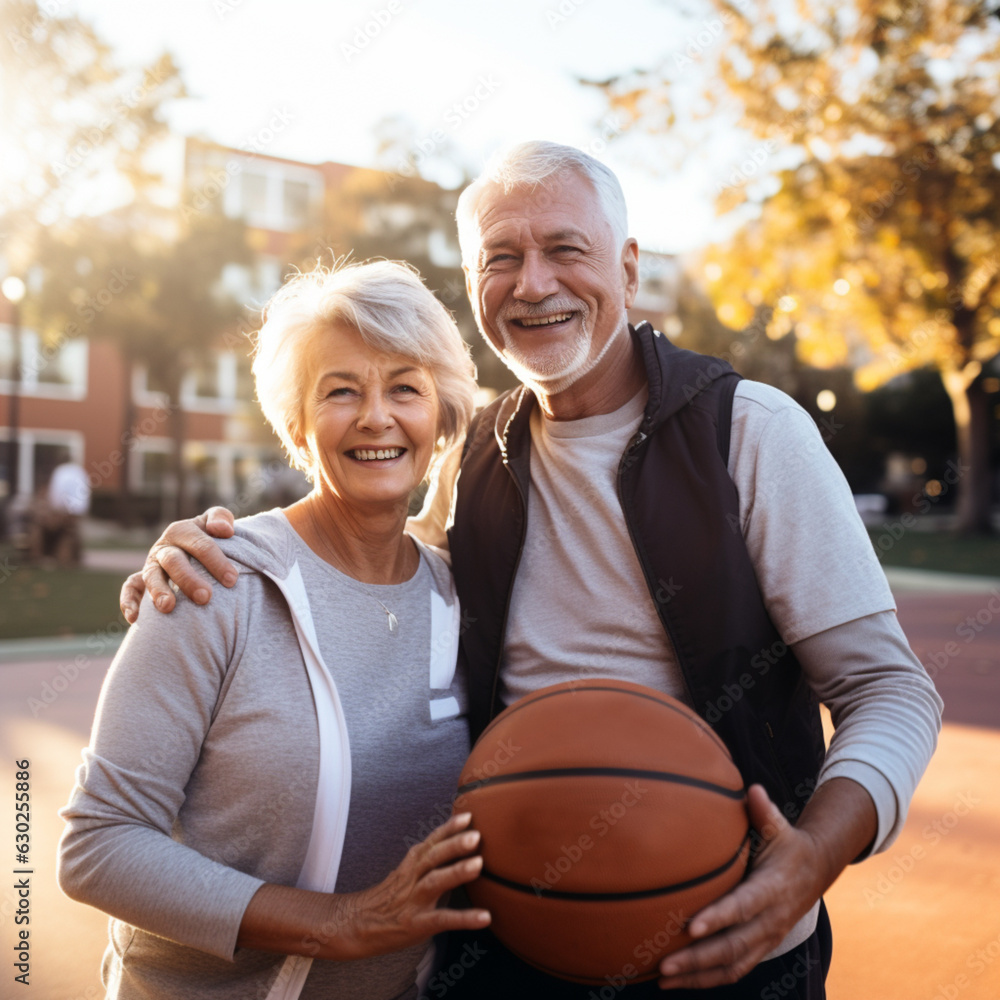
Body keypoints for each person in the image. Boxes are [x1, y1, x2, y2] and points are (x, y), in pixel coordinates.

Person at [120, 142, 943, 998]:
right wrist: (215, 549)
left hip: (721, 938)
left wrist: (810, 858)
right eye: (500, 260)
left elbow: (889, 690)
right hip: (507, 940)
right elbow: (376, 572)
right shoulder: (473, 452)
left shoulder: (751, 432)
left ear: (627, 268)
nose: (533, 283)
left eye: (565, 249)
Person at [58, 259, 491, 1000]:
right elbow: (99, 844)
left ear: (444, 413)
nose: (376, 416)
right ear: (296, 422)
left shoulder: (463, 594)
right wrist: (339, 922)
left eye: (406, 387)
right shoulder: (213, 581)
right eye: (341, 391)